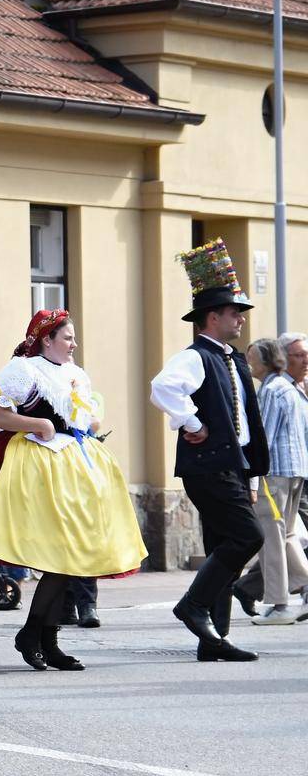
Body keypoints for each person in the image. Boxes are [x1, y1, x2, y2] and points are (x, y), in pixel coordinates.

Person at [0, 310, 147, 670]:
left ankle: (44, 638)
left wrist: (88, 421)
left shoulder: (76, 374)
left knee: (71, 551)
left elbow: (87, 417)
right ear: (46, 340)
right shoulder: (25, 369)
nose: (74, 344)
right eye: (67, 337)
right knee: (52, 551)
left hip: (72, 465)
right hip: (26, 464)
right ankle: (33, 635)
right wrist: (39, 424)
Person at [151, 239, 268, 662]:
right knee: (247, 537)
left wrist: (252, 475)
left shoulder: (232, 360)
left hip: (231, 465)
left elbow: (246, 425)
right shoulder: (196, 356)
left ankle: (213, 640)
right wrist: (192, 422)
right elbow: (162, 388)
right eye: (234, 312)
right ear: (211, 317)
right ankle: (193, 607)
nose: (240, 318)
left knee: (223, 543)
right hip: (208, 466)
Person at [245, 334, 308, 625]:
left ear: (266, 361)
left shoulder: (271, 390)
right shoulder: (290, 388)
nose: (249, 365)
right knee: (287, 535)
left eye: (253, 359)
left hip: (275, 474)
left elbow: (264, 438)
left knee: (271, 539)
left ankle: (280, 604)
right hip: (295, 471)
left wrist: (250, 477)